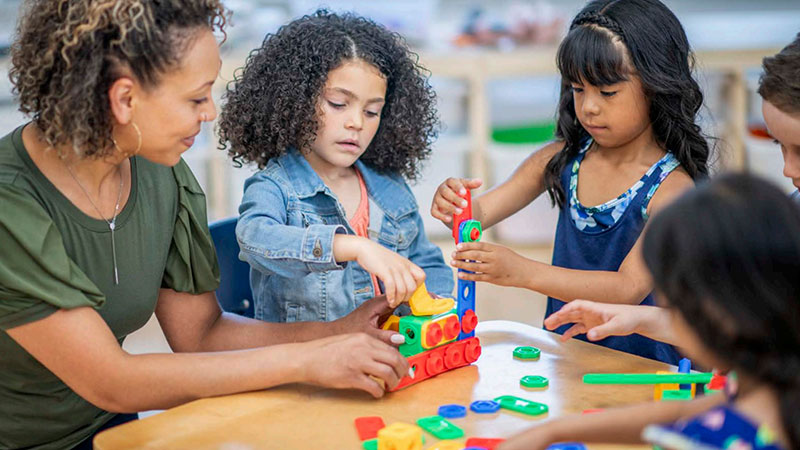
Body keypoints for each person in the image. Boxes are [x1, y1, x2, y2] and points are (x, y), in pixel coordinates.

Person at [0, 2, 407, 449]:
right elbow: (111, 380)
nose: (211, 113)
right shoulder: (10, 202)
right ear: (124, 99)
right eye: (197, 97)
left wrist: (340, 330)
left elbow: (202, 336)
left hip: (115, 431)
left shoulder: (160, 170)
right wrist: (311, 359)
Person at [432, 0, 710, 364]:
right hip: (568, 359)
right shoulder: (562, 159)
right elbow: (477, 215)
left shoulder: (672, 188)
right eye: (578, 89)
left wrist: (521, 272)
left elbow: (627, 288)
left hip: (645, 371)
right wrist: (456, 206)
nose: (589, 107)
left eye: (607, 92)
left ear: (656, 86)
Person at [498, 174, 796, 450]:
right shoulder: (769, 385)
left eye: (672, 308)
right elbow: (683, 410)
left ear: (720, 316)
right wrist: (557, 431)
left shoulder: (713, 439)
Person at [544, 32, 800, 347]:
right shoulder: (790, 221)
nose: (788, 170)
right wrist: (639, 320)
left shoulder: (672, 186)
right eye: (780, 146)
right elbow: (746, 329)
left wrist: (519, 272)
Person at [218, 10, 453, 324]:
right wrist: (349, 246)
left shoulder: (388, 187)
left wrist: (432, 303)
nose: (356, 122)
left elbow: (425, 261)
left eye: (372, 111)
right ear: (295, 101)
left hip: (385, 359)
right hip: (303, 366)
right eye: (339, 104)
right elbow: (256, 238)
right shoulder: (275, 187)